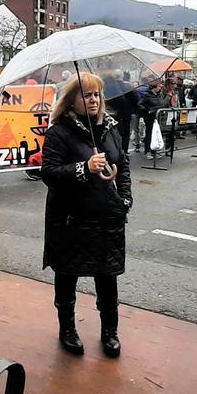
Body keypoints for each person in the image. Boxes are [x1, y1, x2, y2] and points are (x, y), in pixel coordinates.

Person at [40, 72, 133, 359]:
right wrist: (83, 168)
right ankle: (67, 328)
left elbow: (124, 164)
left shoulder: (111, 128)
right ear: (72, 100)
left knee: (107, 276)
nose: (93, 100)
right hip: (70, 218)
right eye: (86, 95)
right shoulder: (59, 132)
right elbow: (49, 172)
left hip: (106, 216)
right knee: (67, 274)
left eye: (96, 94)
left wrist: (125, 199)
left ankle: (110, 332)